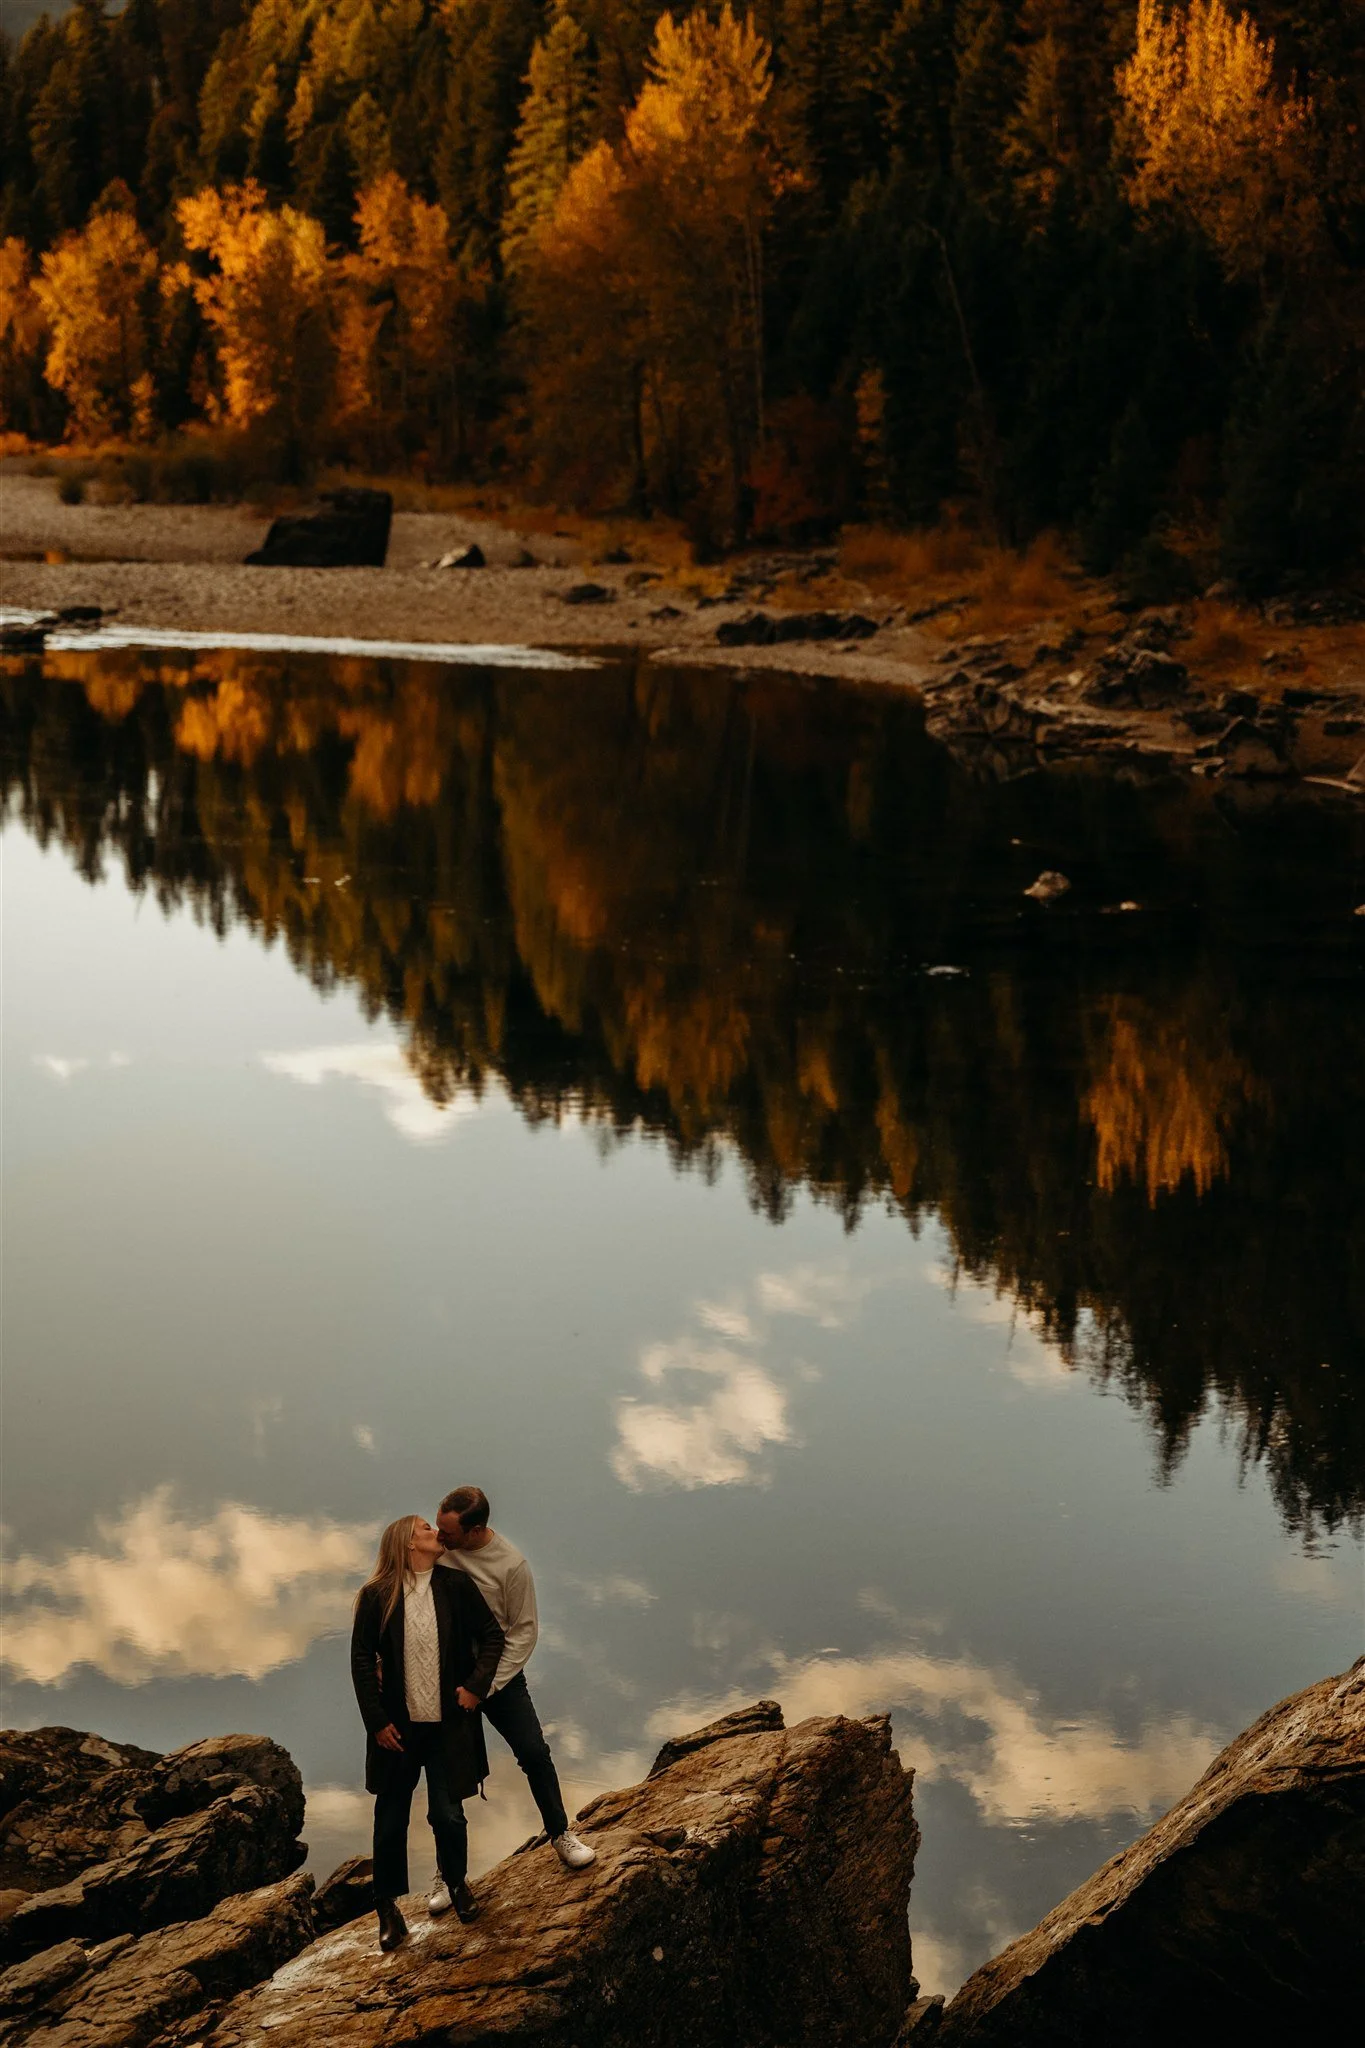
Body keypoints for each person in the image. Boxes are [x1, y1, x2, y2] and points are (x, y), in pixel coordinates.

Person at [350, 1512, 505, 1952]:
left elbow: (492, 1637)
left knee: (449, 1814)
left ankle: (457, 1885)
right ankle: (388, 1910)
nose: (434, 1534)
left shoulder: (455, 1587)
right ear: (406, 1545)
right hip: (396, 1730)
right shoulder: (377, 1595)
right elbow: (362, 1661)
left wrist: (476, 1687)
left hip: (447, 1726)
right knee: (390, 1819)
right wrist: (377, 1721)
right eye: (424, 1529)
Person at [436, 1485, 596, 1871]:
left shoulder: (510, 1565)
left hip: (498, 1677)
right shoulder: (437, 1552)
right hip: (448, 1677)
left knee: (535, 1753)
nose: (439, 1538)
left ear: (475, 1531)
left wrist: (484, 1687)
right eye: (439, 1528)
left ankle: (561, 1834)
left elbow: (524, 1633)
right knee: (448, 1772)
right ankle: (447, 1874)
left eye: (448, 1533)